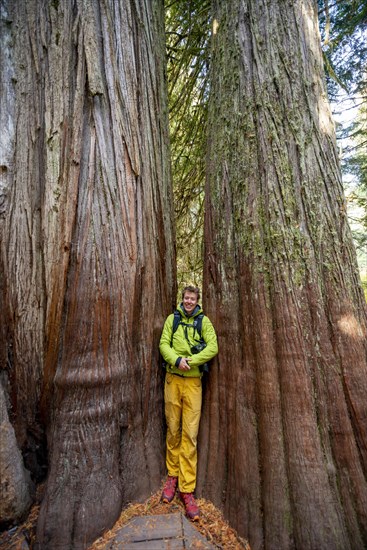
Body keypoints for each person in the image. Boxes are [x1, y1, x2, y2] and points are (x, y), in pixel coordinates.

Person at [159, 285, 218, 521]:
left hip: (193, 383)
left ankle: (187, 489)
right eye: (186, 298)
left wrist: (191, 361)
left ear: (197, 300)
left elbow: (213, 346)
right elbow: (164, 344)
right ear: (182, 299)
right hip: (172, 380)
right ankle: (172, 476)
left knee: (190, 436)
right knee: (173, 430)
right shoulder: (172, 320)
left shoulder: (204, 322)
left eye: (192, 299)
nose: (189, 302)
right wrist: (176, 359)